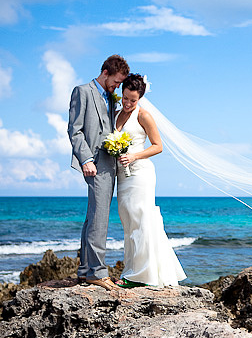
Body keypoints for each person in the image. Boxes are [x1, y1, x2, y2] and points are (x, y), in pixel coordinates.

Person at [114, 74, 187, 287]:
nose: (127, 103)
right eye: (125, 98)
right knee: (128, 222)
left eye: (132, 100)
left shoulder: (143, 115)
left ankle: (140, 276)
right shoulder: (118, 113)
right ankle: (135, 270)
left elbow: (158, 145)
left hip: (140, 174)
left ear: (140, 99)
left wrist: (134, 156)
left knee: (141, 221)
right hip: (123, 176)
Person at [68, 55, 130, 291]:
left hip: (109, 163)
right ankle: (97, 272)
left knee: (93, 216)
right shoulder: (82, 91)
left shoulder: (111, 98)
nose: (117, 87)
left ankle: (85, 270)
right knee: (100, 217)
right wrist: (86, 159)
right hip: (94, 163)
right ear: (105, 72)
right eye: (115, 82)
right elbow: (74, 130)